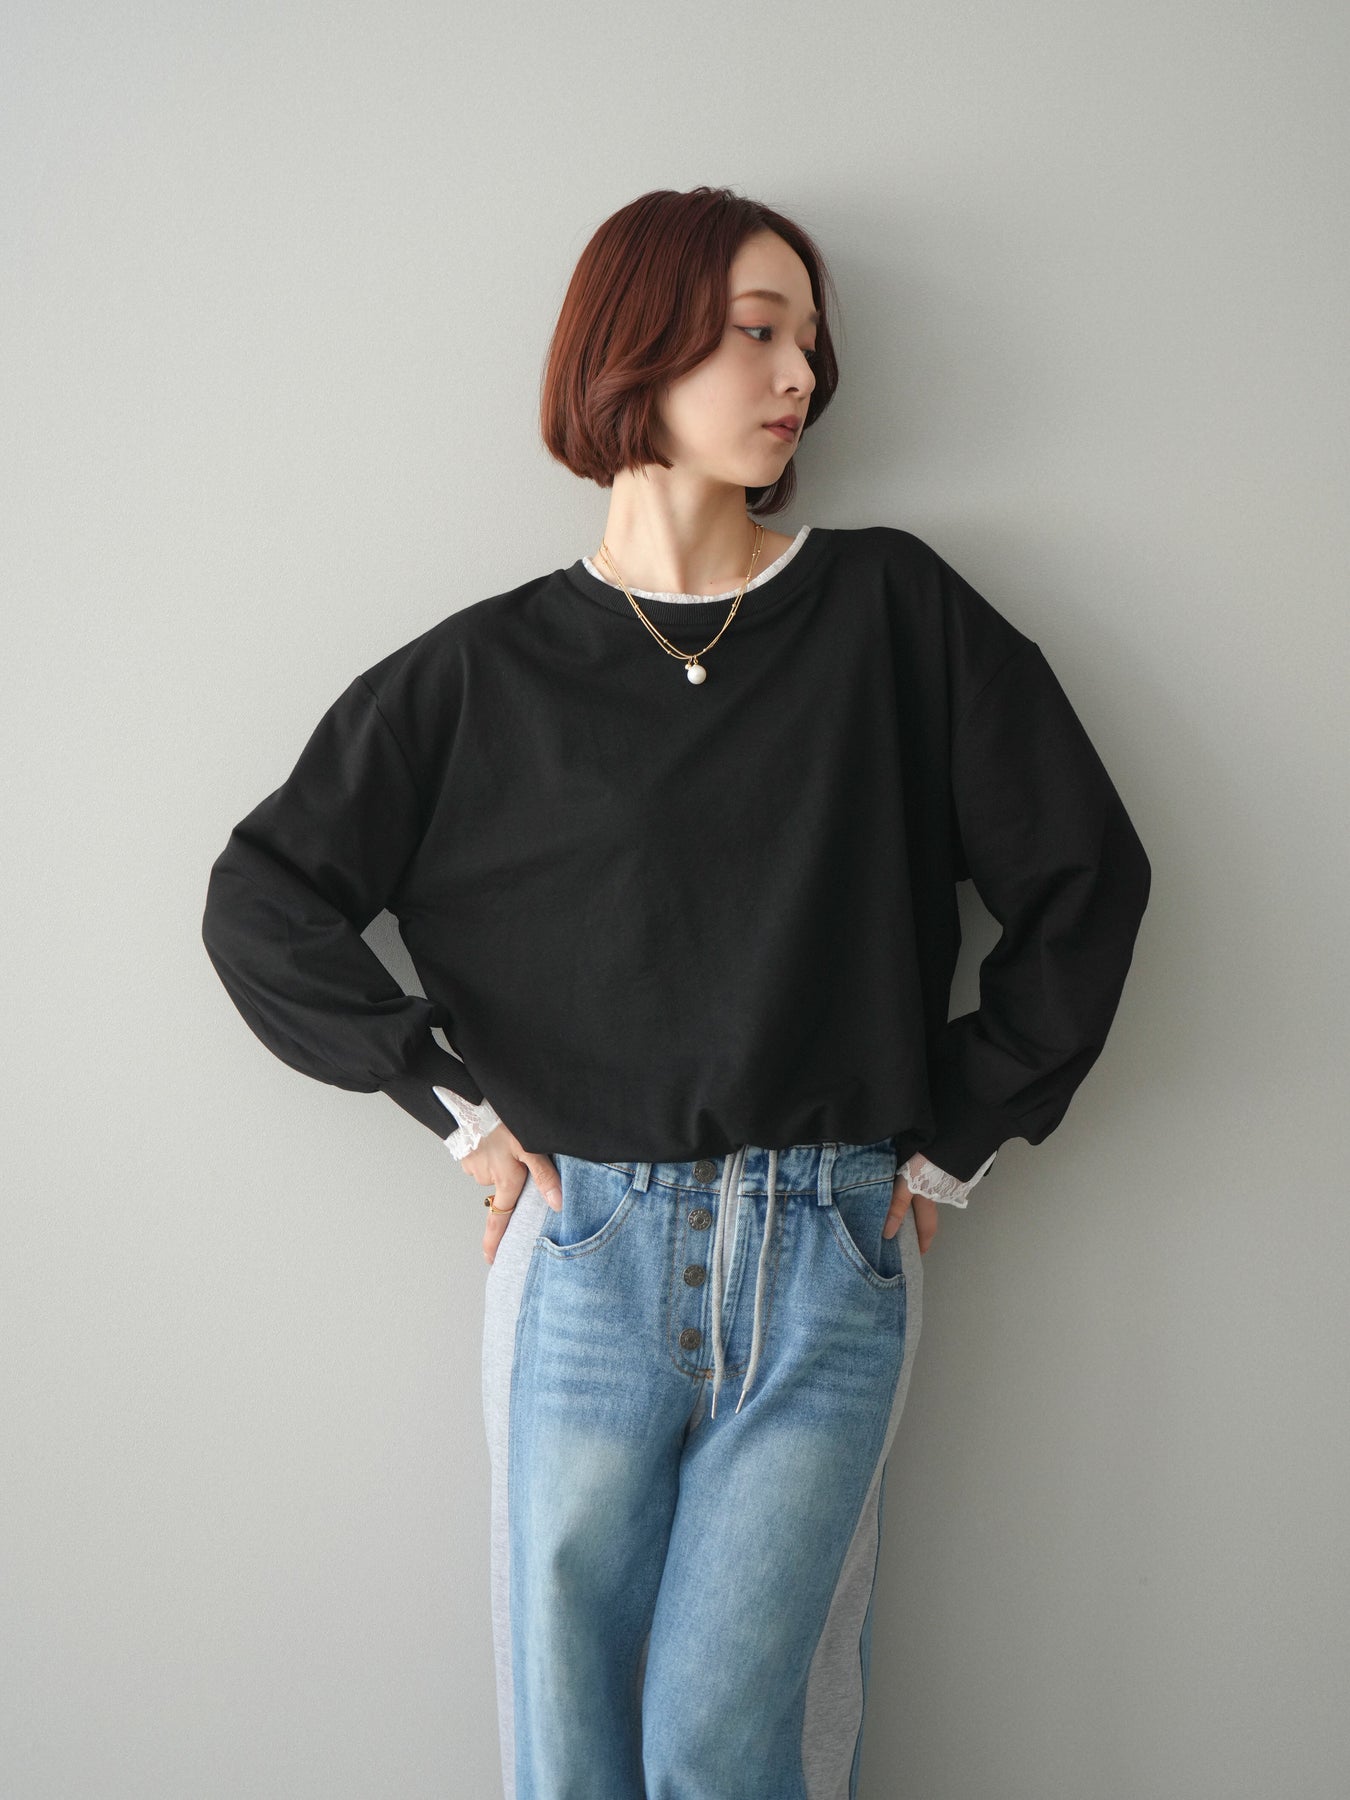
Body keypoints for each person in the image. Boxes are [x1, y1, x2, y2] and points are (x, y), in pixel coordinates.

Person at [201, 185, 1151, 1800]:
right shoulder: (483, 675)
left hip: (828, 1245)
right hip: (582, 1248)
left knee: (729, 1746)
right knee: (571, 1745)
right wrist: (458, 1118)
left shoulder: (891, 610)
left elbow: (1085, 878)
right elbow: (263, 898)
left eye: (808, 340)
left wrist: (955, 1138)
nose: (798, 376)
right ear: (632, 350)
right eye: (754, 332)